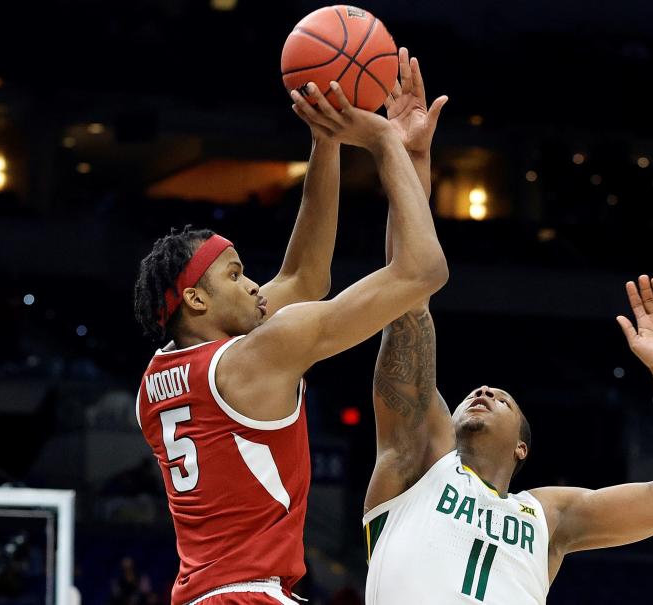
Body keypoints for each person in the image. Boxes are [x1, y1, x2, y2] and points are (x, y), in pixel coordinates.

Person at [361, 55, 653, 605]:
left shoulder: (549, 515)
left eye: (503, 398)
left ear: (522, 447)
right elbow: (406, 296)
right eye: (479, 393)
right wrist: (409, 161)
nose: (485, 390)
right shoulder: (414, 460)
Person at [131, 76, 448, 605]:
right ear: (196, 302)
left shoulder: (156, 381)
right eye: (235, 276)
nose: (255, 284)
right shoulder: (253, 359)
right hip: (248, 596)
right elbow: (423, 270)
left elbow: (303, 278)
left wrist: (325, 143)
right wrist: (387, 143)